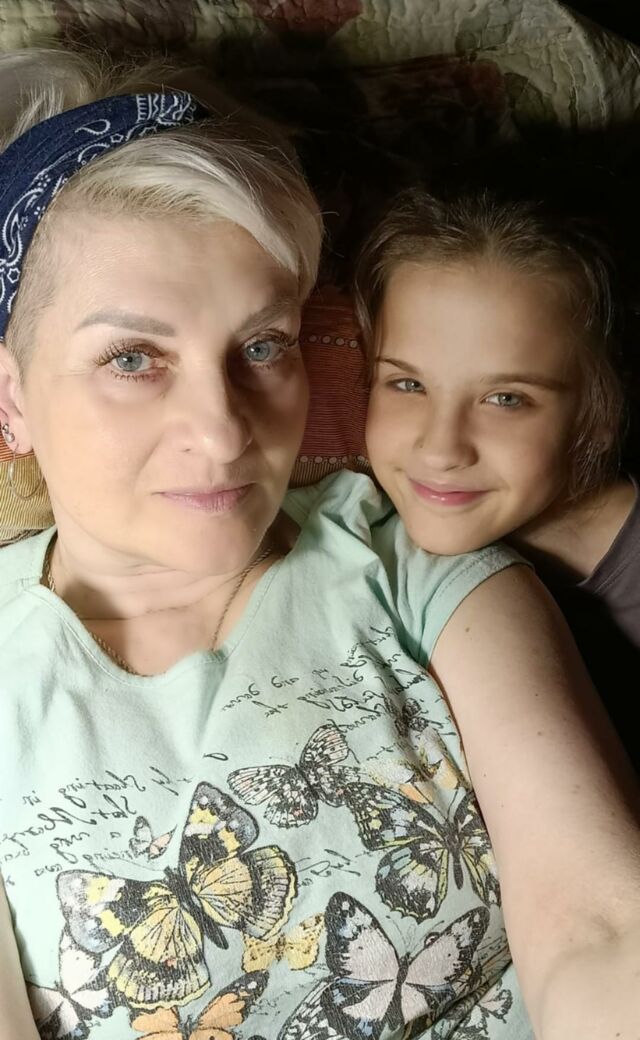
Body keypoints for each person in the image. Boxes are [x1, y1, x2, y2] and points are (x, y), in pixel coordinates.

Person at [0, 48, 639, 1040]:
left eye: (262, 346)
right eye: (133, 358)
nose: (222, 431)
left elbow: (599, 929)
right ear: (11, 397)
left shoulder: (416, 565)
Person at [355, 184, 640, 772]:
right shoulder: (356, 533)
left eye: (505, 398)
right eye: (408, 384)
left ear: (600, 415)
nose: (441, 449)